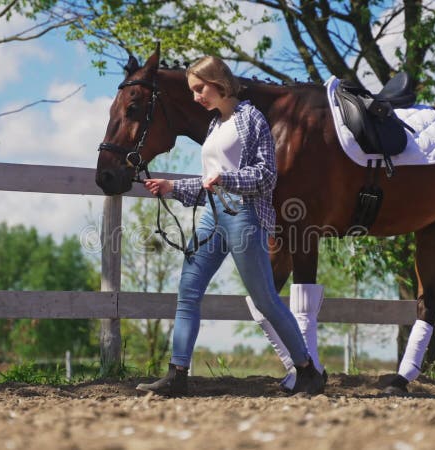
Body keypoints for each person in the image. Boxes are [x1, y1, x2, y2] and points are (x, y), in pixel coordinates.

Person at [138, 56, 324, 396]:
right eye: (192, 91)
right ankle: (178, 373)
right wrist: (173, 187)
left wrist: (228, 178)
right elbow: (211, 182)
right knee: (188, 292)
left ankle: (308, 370)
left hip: (244, 215)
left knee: (265, 298)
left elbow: (267, 175)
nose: (196, 97)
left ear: (219, 81)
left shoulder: (251, 119)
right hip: (212, 214)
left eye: (200, 89)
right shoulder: (215, 126)